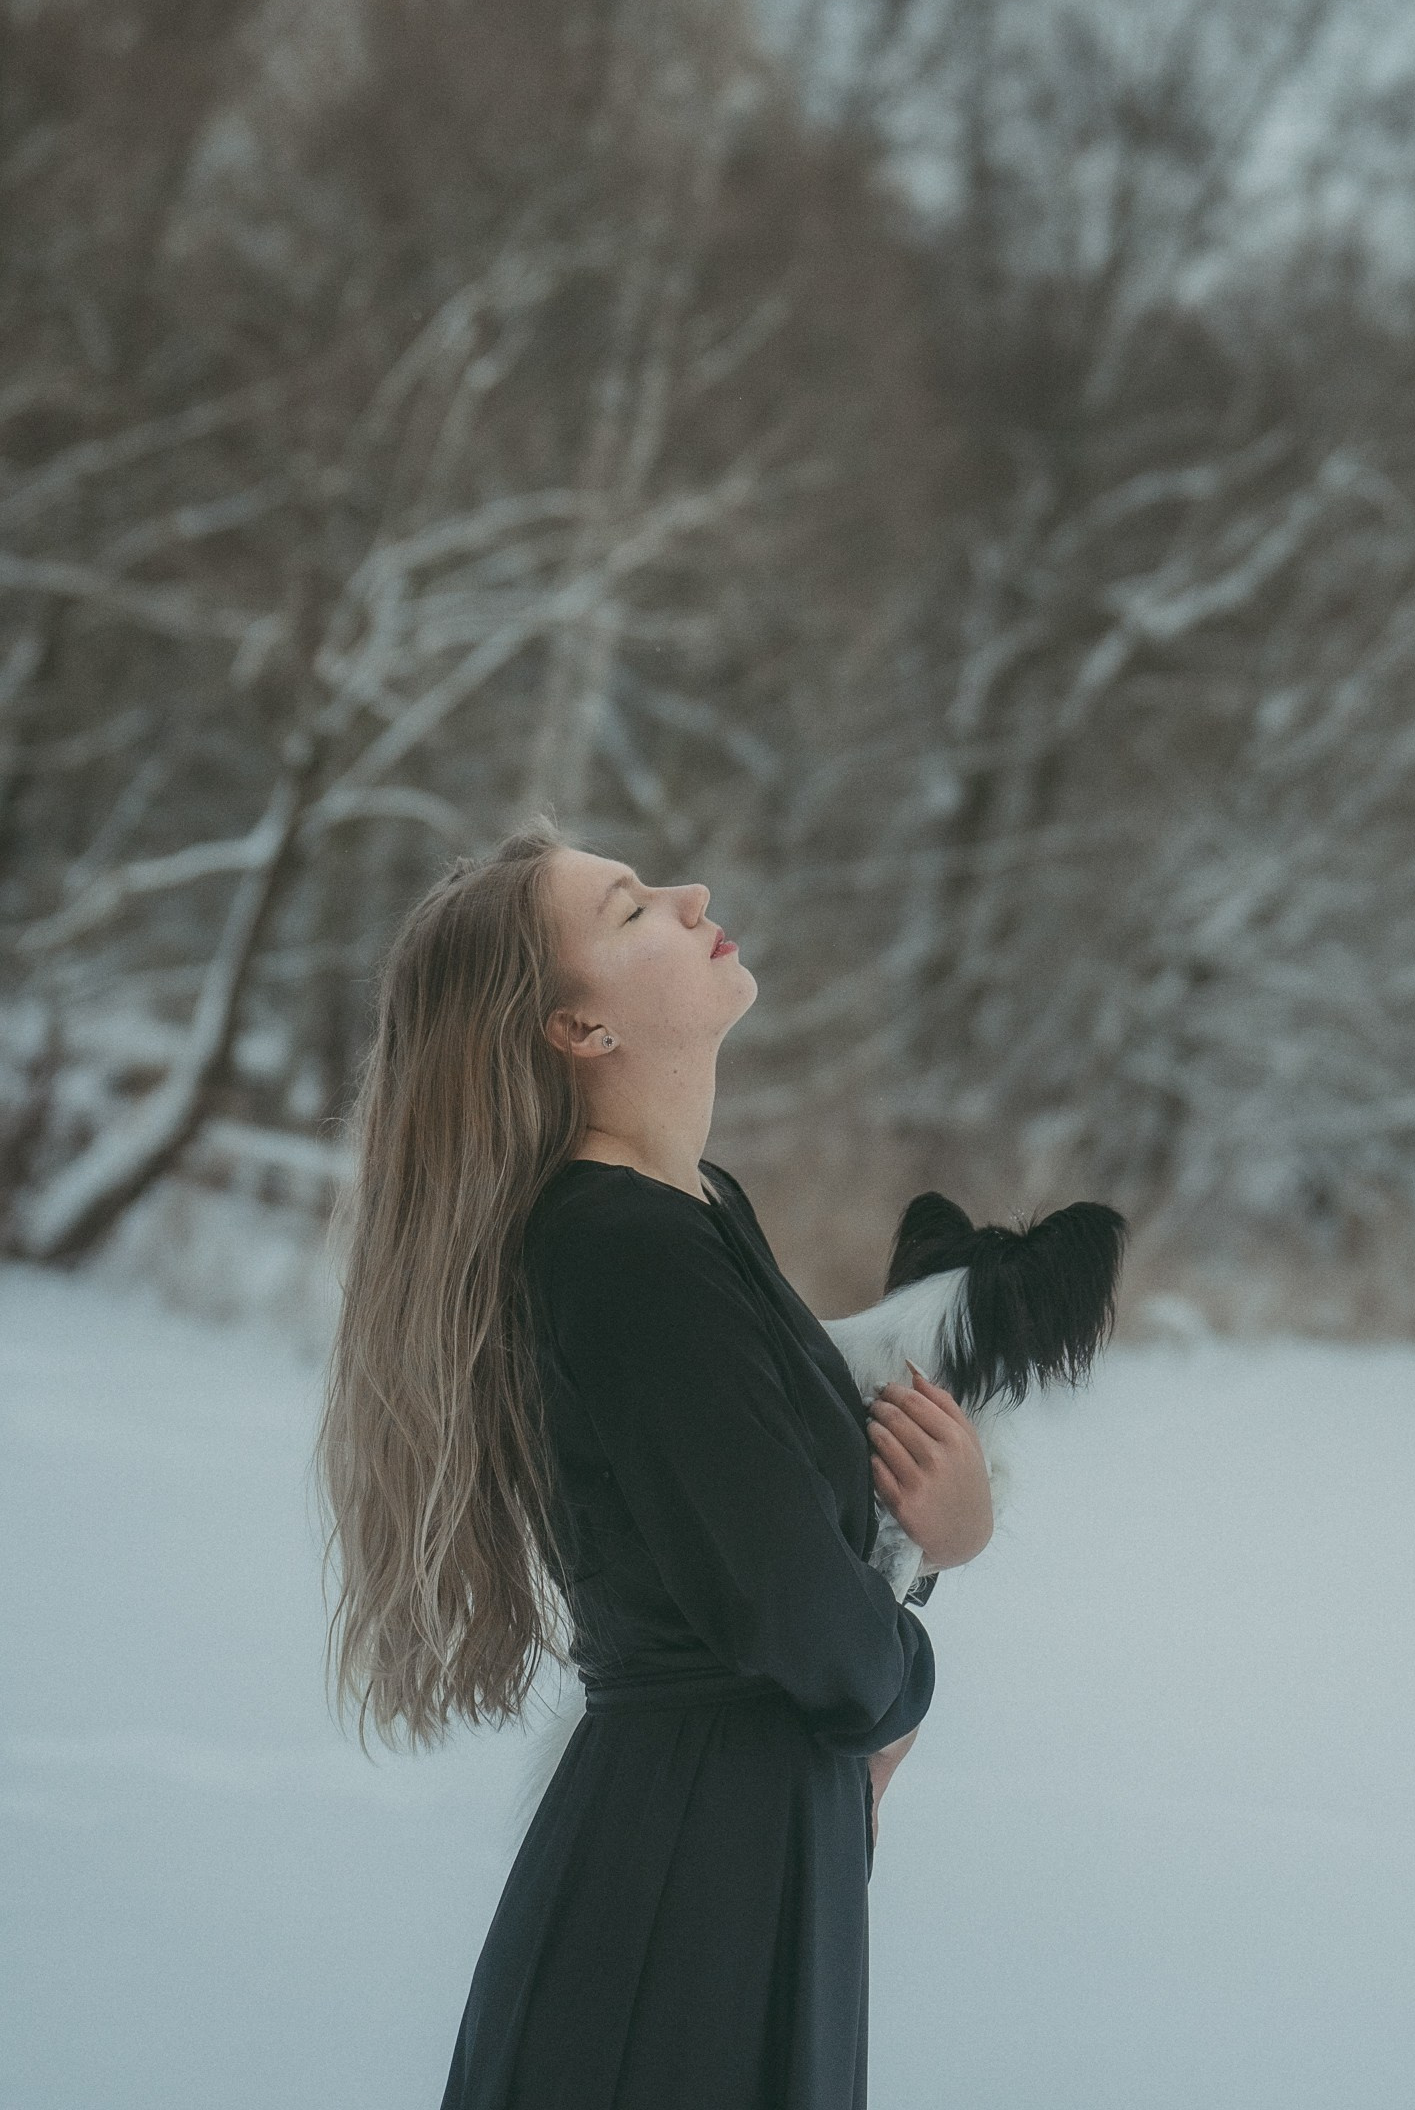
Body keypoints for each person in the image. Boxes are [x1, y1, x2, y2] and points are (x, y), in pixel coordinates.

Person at [315, 825, 994, 2110]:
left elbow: (768, 1529)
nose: (691, 896)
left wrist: (934, 1545)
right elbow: (786, 1603)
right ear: (579, 1029)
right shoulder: (619, 1247)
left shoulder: (695, 1207)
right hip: (691, 1869)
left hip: (744, 1832)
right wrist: (901, 1678)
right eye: (631, 911)